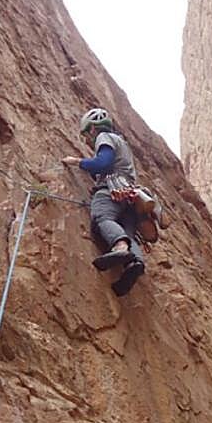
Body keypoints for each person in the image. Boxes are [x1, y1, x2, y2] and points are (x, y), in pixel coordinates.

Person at [62, 107, 146, 296]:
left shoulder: (104, 137)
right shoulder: (122, 144)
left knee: (102, 217)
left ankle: (120, 247)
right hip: (130, 198)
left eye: (86, 134)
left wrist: (77, 161)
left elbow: (103, 163)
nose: (87, 140)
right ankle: (135, 262)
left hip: (112, 190)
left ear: (93, 128)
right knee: (128, 232)